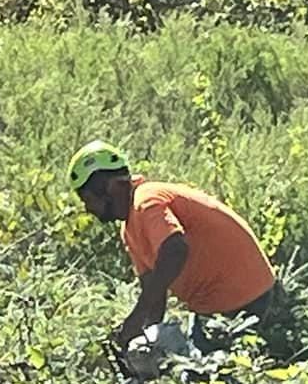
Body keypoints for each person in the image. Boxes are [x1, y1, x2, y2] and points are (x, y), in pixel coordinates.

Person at [68, 140, 284, 355]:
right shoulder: (129, 229)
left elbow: (175, 249)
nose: (88, 208)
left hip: (243, 297)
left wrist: (137, 315)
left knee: (208, 376)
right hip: (212, 307)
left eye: (89, 198)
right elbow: (154, 293)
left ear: (112, 186)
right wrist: (138, 337)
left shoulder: (146, 200)